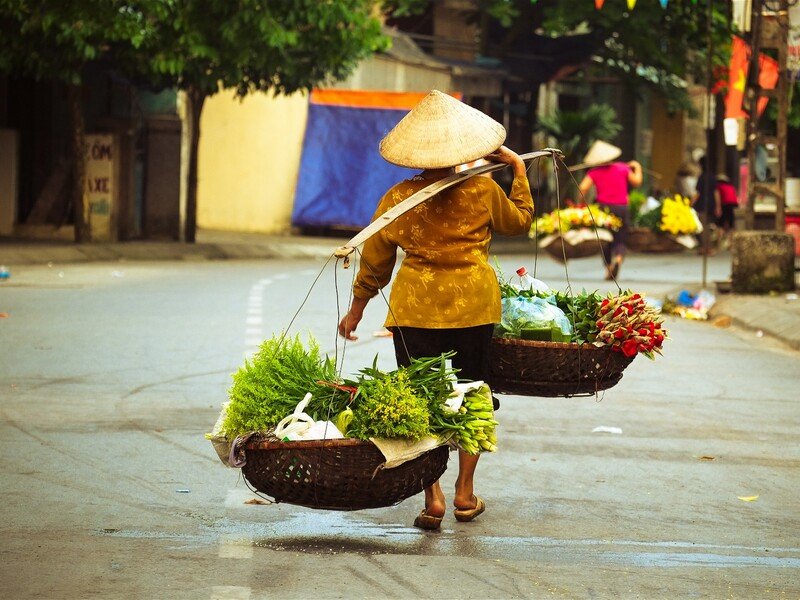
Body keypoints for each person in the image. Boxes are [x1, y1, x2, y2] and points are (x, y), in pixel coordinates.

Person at [337, 90, 533, 531]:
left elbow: (375, 261)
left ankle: (434, 497)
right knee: (471, 395)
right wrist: (518, 171)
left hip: (415, 311)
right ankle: (465, 492)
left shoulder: (398, 199)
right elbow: (519, 222)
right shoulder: (483, 189)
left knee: (423, 401)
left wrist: (356, 310)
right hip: (473, 307)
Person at [576, 141, 643, 280]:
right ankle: (618, 260)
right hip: (621, 208)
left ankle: (608, 268)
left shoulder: (594, 172)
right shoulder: (623, 168)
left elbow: (582, 188)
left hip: (603, 209)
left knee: (605, 239)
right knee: (621, 238)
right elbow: (636, 182)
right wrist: (637, 167)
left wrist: (582, 204)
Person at [692, 155, 720, 255]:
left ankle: (706, 248)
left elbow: (698, 193)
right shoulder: (712, 177)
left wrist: (691, 202)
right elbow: (716, 193)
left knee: (703, 228)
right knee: (707, 226)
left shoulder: (702, 177)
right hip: (711, 204)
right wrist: (718, 206)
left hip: (702, 204)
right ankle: (707, 248)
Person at [715, 173, 738, 248]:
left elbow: (718, 197)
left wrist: (717, 208)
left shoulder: (719, 187)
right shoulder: (731, 187)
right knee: (731, 225)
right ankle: (732, 243)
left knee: (720, 225)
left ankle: (719, 242)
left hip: (724, 205)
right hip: (732, 206)